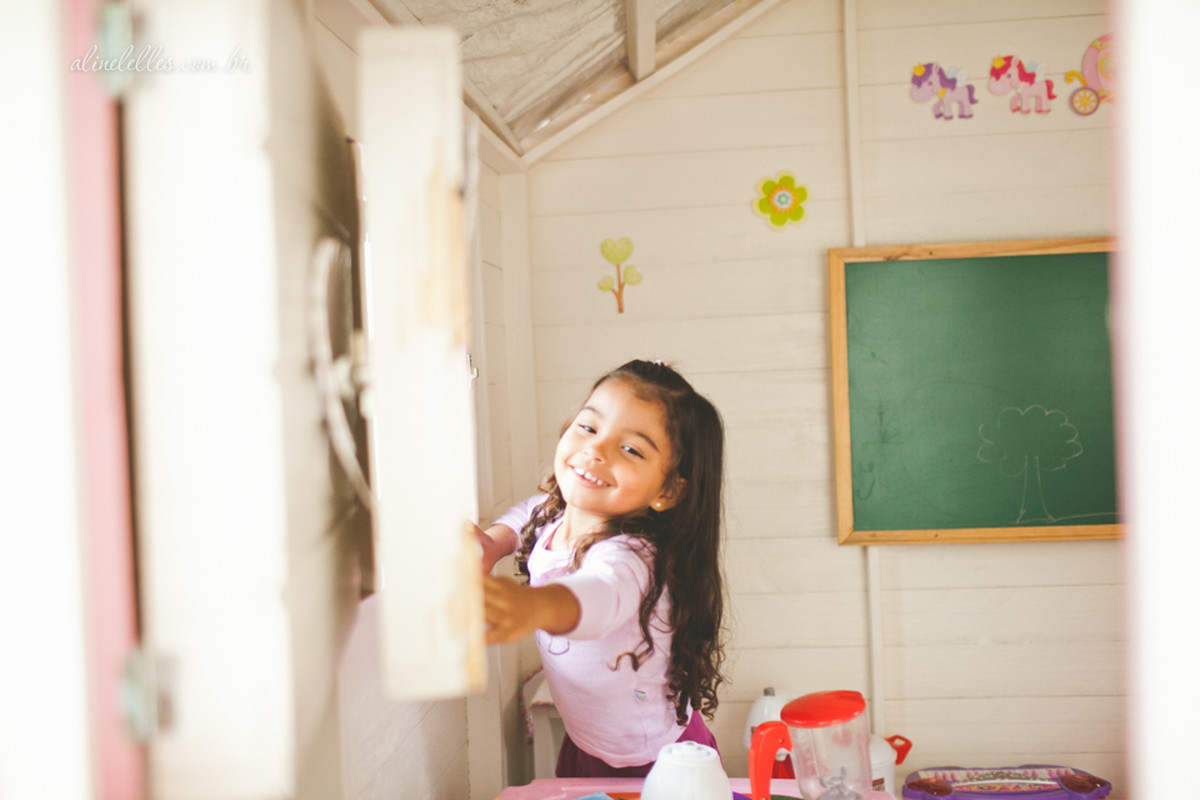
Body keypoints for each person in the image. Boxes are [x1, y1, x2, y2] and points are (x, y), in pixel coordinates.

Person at [477, 359, 727, 778]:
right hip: (586, 746)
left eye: (631, 449)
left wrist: (533, 607)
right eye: (588, 428)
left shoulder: (635, 558)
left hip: (656, 763)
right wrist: (494, 541)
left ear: (668, 490)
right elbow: (528, 512)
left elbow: (599, 596)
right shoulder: (555, 516)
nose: (595, 449)